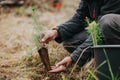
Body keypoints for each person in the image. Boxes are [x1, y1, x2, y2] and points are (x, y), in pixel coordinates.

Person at [42, 0, 120, 73]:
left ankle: (112, 58)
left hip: (111, 26)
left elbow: (101, 29)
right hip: (104, 30)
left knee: (107, 22)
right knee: (70, 42)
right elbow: (79, 19)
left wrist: (74, 57)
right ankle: (105, 55)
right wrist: (57, 32)